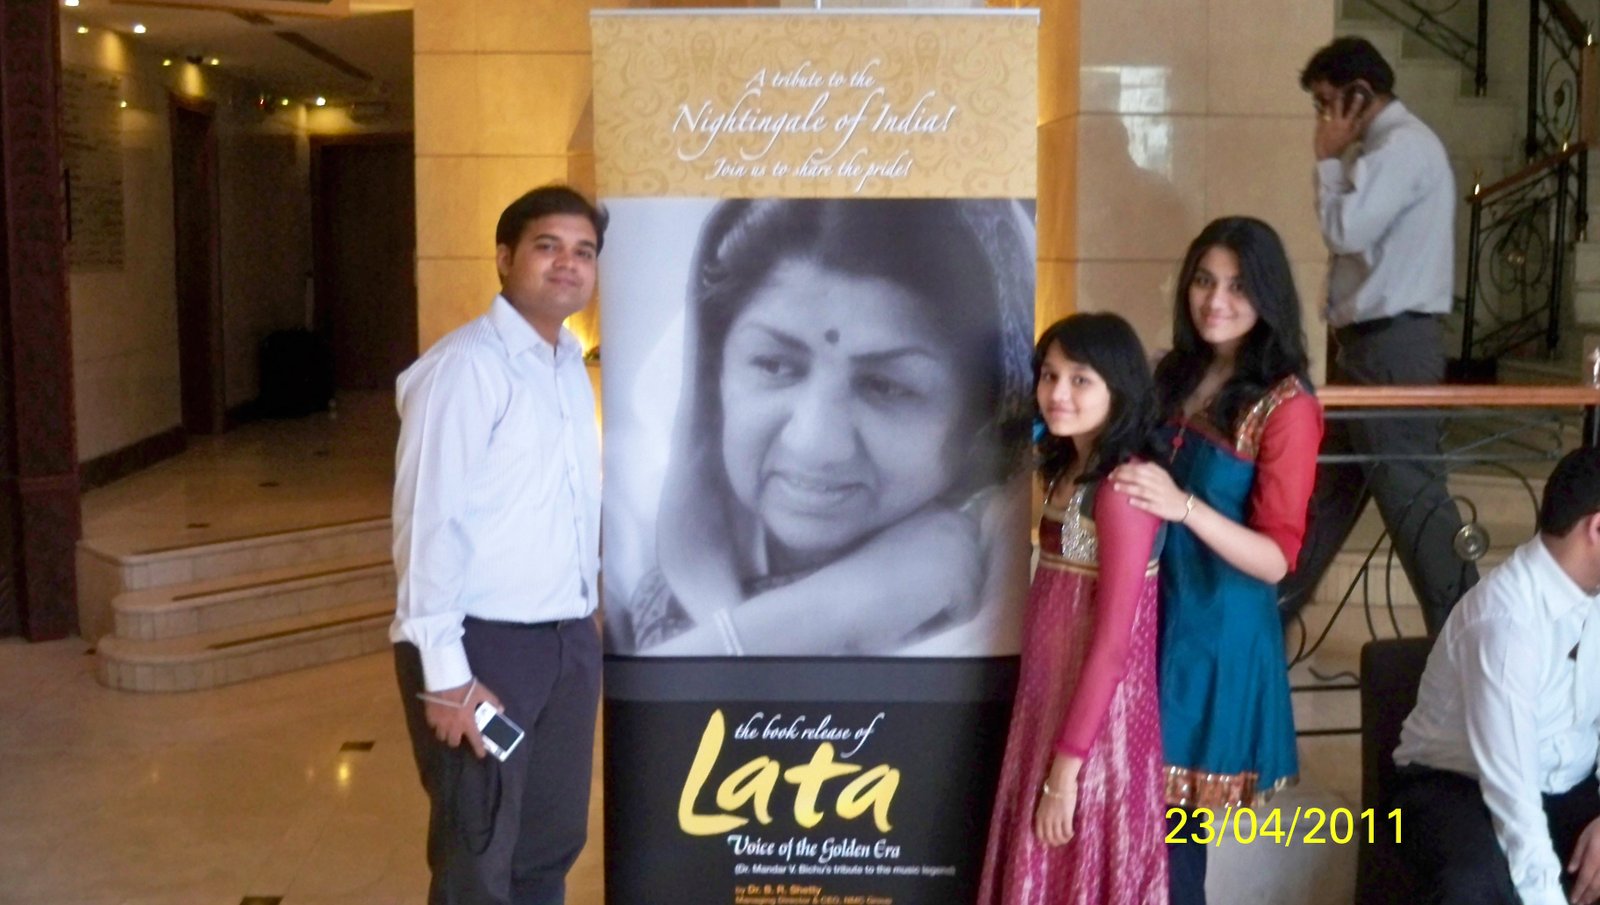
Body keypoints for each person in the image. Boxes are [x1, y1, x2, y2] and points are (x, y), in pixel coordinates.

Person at [608, 198, 1035, 657]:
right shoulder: (633, 573)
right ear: (712, 383)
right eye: (774, 365)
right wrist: (831, 610)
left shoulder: (1009, 602)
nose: (815, 444)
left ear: (982, 414)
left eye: (885, 386)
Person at [390, 185, 605, 905]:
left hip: (565, 642)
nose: (568, 263)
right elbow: (428, 524)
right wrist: (446, 673)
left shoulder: (567, 363)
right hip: (482, 647)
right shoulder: (465, 368)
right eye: (549, 246)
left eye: (584, 251)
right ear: (506, 258)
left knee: (548, 846)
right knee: (478, 852)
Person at [1111, 217, 1323, 905]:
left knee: (1173, 844)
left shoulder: (1286, 405)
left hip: (1214, 637)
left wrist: (1184, 507)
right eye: (1204, 280)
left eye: (1237, 286)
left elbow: (1276, 558)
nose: (1216, 300)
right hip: (1149, 613)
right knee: (1128, 827)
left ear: (1268, 295)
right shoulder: (1176, 373)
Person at [1279, 36, 1477, 634]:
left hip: (1393, 349)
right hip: (1369, 348)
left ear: (1360, 95)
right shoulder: (1385, 148)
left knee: (1415, 502)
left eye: (1326, 103)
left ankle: (1469, 636)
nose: (1322, 119)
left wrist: (1326, 160)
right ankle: (1266, 619)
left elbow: (1346, 230)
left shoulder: (1403, 147)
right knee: (1325, 498)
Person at [978, 313, 1169, 905]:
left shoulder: (1123, 490)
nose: (1057, 392)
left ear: (1119, 389)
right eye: (1049, 375)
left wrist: (1066, 772)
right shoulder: (1071, 471)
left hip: (1095, 733)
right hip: (1049, 707)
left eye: (1080, 379)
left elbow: (1113, 648)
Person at [1392, 446, 1600, 905]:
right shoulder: (1506, 623)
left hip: (1567, 781)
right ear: (1596, 528)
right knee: (1476, 887)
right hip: (1452, 786)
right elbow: (1513, 791)